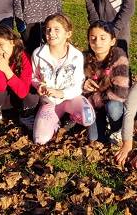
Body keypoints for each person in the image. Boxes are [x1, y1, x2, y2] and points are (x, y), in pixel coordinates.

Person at [31, 14, 95, 145]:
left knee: (88, 118)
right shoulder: (38, 54)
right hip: (49, 102)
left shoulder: (76, 56)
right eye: (48, 29)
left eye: (56, 29)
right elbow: (33, 76)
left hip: (70, 99)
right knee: (40, 140)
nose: (51, 33)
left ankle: (70, 117)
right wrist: (39, 86)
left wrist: (62, 93)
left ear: (68, 33)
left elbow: (78, 84)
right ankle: (55, 120)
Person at [82, 21, 129, 143]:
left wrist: (95, 97)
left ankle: (116, 128)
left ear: (112, 41)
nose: (97, 43)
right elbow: (80, 89)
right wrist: (83, 84)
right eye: (93, 38)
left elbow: (121, 93)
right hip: (95, 107)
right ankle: (101, 125)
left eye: (103, 38)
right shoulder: (84, 58)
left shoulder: (119, 57)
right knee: (94, 139)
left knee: (113, 107)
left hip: (114, 103)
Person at [0, 25, 37, 129]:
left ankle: (26, 116)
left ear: (12, 42)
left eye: (1, 44)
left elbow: (23, 92)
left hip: (20, 100)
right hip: (2, 100)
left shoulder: (24, 58)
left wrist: (6, 70)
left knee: (32, 93)